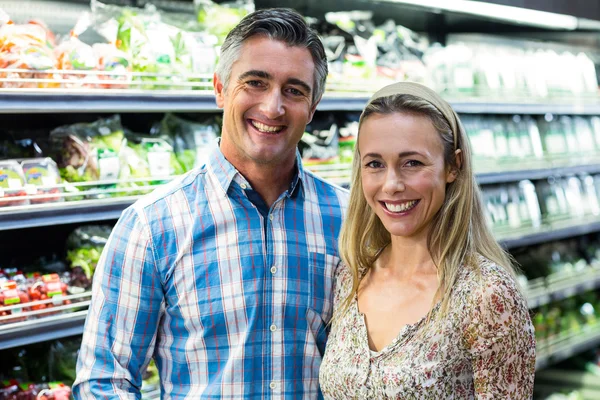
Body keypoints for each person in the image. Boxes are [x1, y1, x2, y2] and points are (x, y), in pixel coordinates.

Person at [73, 8, 348, 399]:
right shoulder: (152, 226)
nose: (273, 107)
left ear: (313, 105)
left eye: (295, 90)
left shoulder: (350, 219)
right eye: (255, 82)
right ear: (220, 88)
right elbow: (104, 381)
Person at [319, 82, 536, 398]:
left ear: (453, 166)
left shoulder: (486, 296)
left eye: (412, 163)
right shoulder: (351, 277)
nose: (392, 185)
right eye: (375, 164)